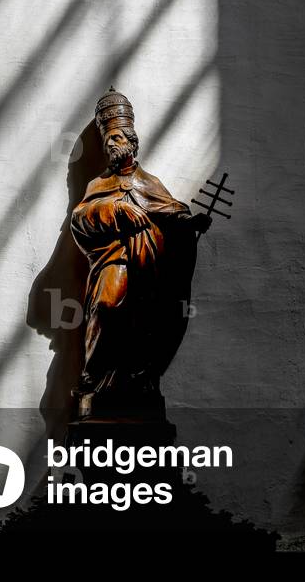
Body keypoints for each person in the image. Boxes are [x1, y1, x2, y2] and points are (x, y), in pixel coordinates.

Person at [70, 86, 211, 415]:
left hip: (149, 270)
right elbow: (80, 221)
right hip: (113, 262)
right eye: (110, 140)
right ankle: (92, 384)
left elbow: (173, 215)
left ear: (132, 141)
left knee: (147, 323)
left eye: (120, 138)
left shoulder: (150, 183)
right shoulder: (98, 185)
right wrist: (116, 211)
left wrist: (191, 224)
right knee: (105, 305)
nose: (114, 145)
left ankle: (139, 382)